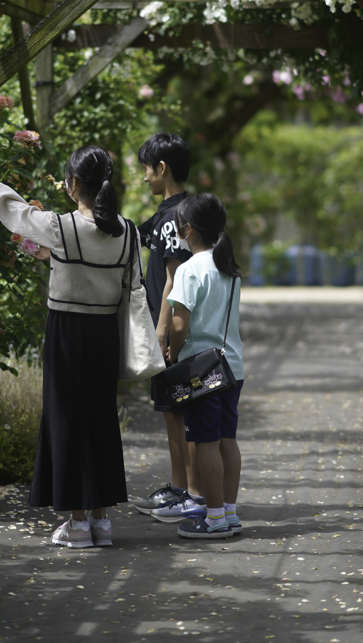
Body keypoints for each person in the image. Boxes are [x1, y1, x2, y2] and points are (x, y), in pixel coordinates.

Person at [0, 144, 141, 549]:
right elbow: (127, 285)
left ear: (73, 184)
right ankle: (100, 520)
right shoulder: (129, 231)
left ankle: (77, 524)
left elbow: (12, 210)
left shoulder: (62, 227)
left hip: (68, 332)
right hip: (105, 334)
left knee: (68, 418)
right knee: (99, 419)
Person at [133, 133, 204, 521]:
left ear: (162, 169)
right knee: (171, 410)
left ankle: (186, 492)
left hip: (169, 330)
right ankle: (179, 487)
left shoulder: (175, 218)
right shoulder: (168, 214)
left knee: (179, 411)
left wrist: (162, 331)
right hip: (165, 329)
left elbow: (175, 280)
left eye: (147, 168)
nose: (144, 176)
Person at [167, 193, 244, 540]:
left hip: (202, 370)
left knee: (207, 443)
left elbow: (180, 324)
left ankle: (213, 519)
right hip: (232, 367)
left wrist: (172, 350)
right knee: (228, 440)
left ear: (188, 229)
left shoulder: (188, 269)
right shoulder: (229, 267)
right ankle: (228, 512)